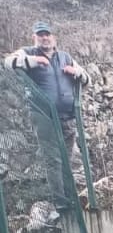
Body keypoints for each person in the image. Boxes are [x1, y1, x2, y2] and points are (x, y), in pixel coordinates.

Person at [5, 20, 90, 208]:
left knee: (68, 161)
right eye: (40, 34)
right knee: (53, 159)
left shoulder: (65, 57)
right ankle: (61, 202)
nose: (45, 37)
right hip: (44, 116)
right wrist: (34, 61)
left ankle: (71, 198)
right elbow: (8, 63)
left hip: (68, 116)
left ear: (54, 37)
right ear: (34, 37)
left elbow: (87, 79)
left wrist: (76, 72)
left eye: (47, 34)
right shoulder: (28, 52)